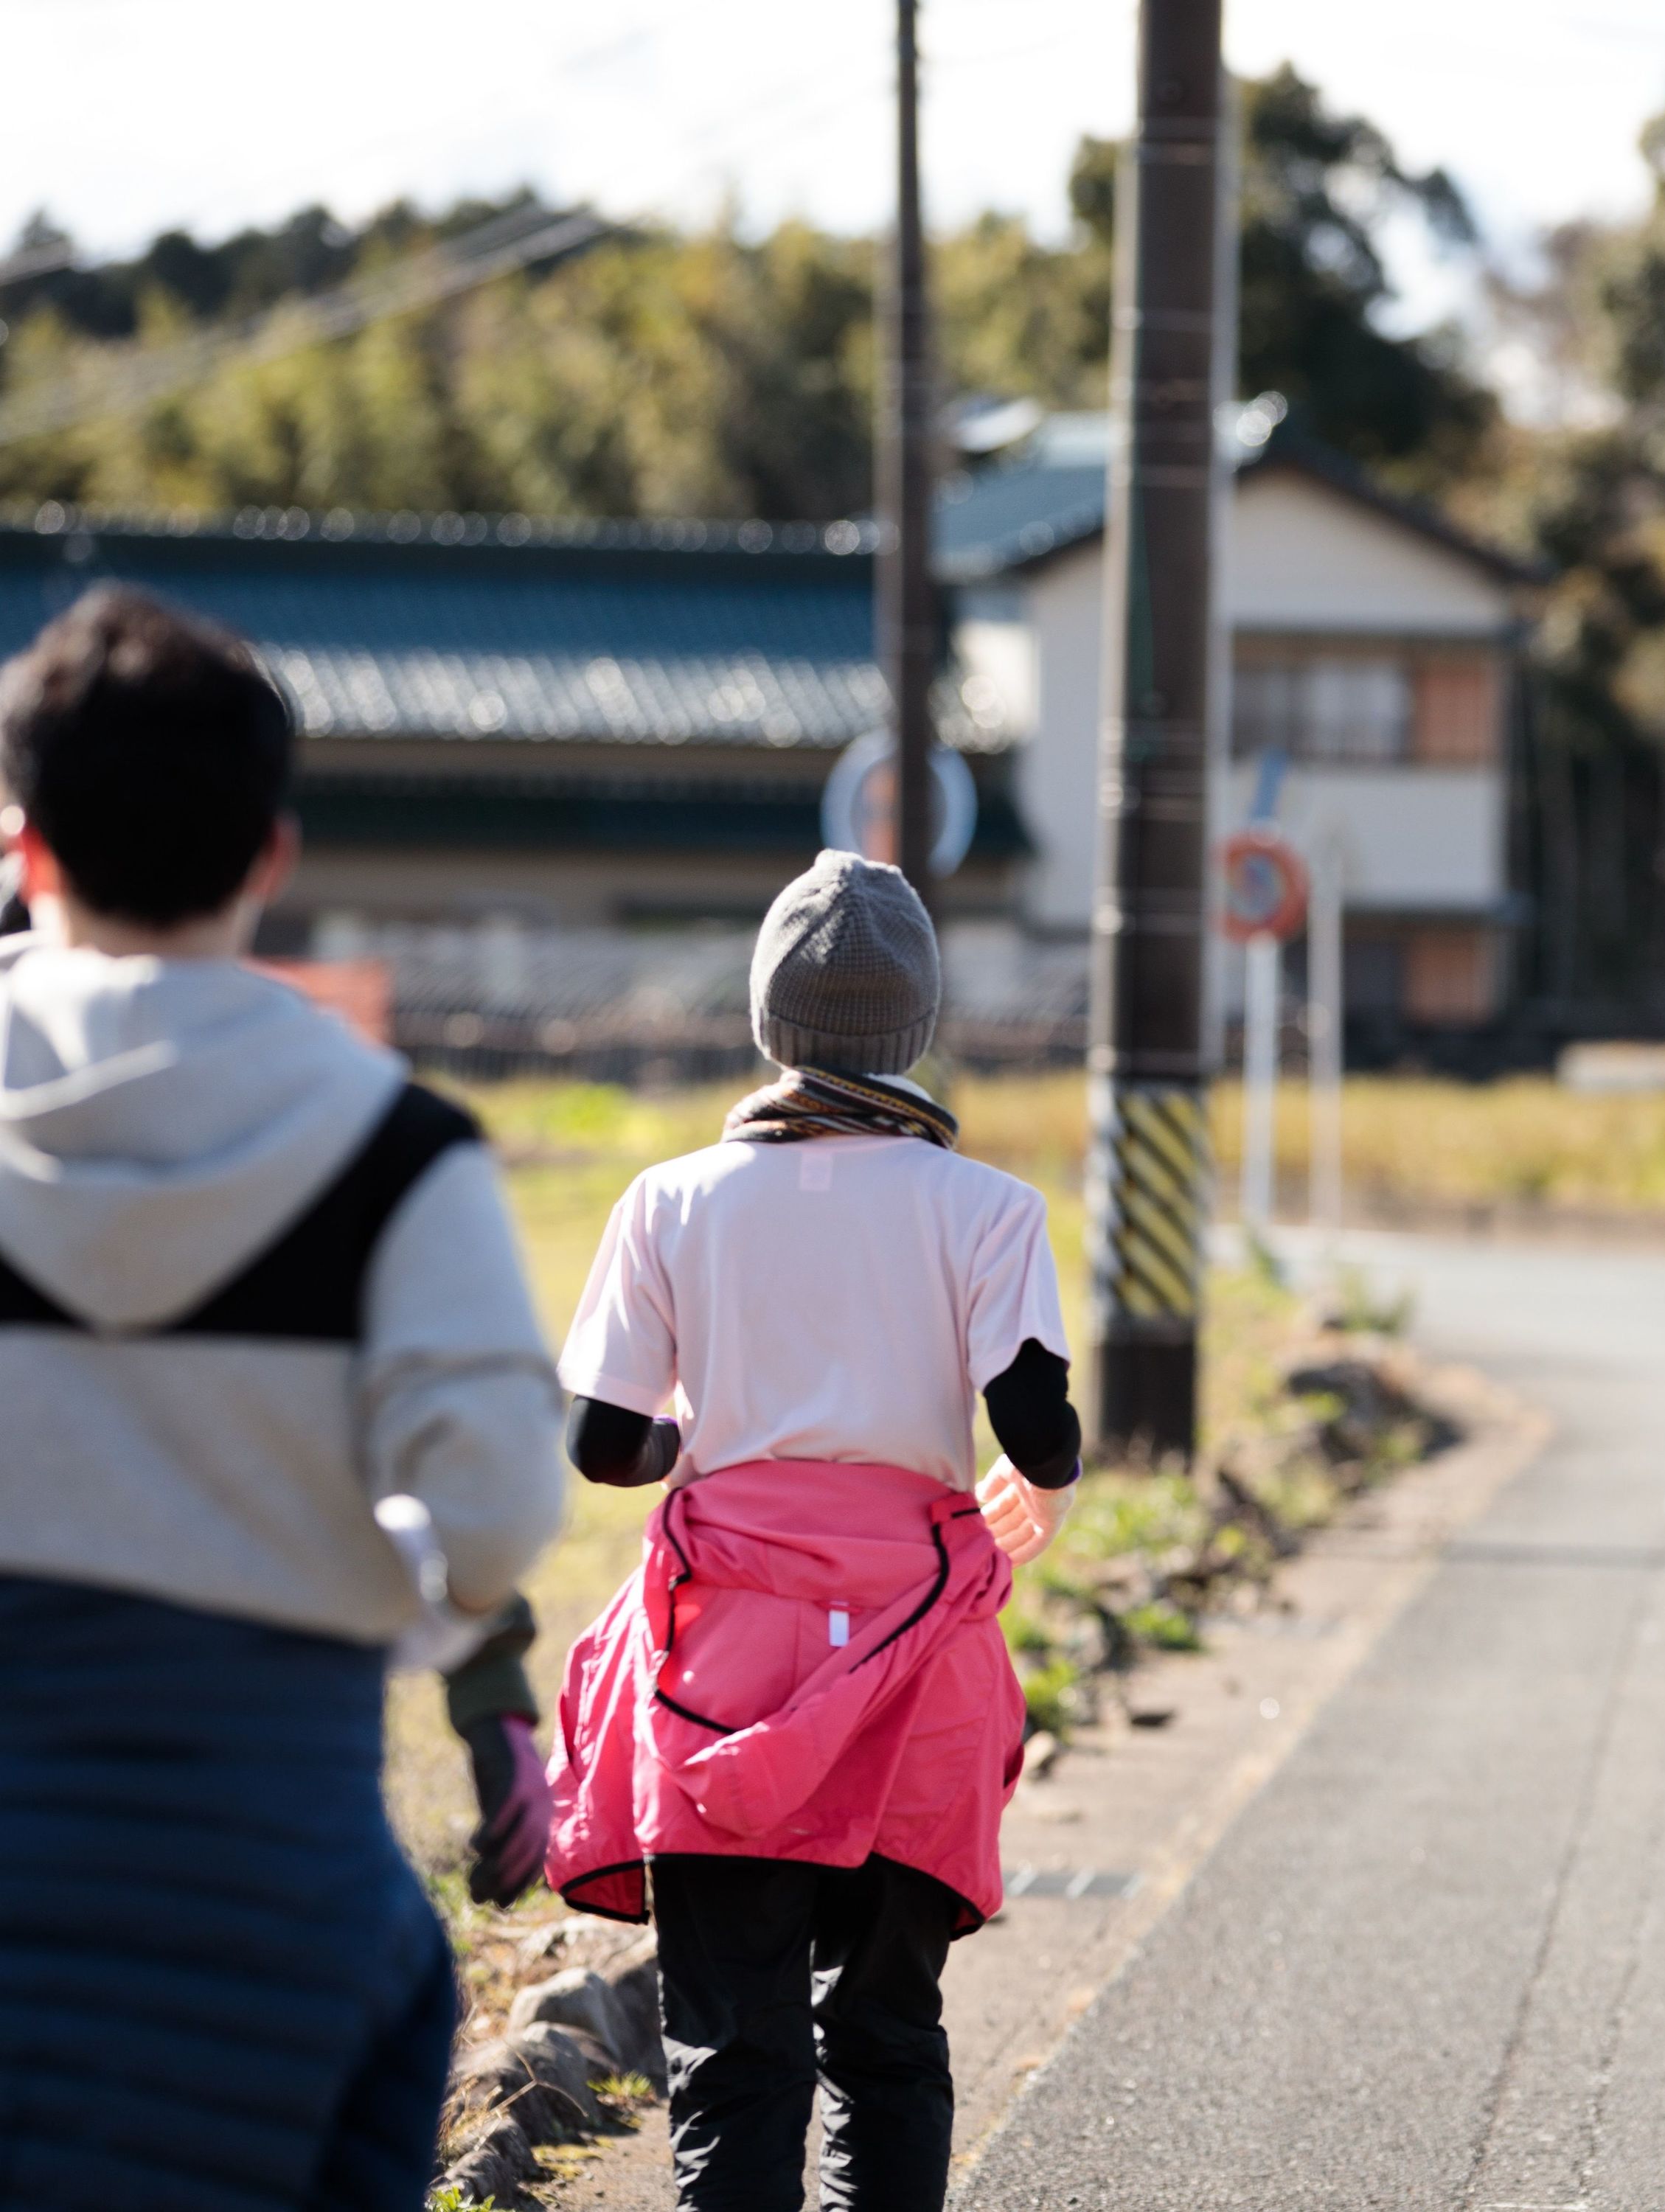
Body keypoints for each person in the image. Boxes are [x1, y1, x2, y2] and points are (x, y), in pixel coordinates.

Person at [0, 586, 566, 2211]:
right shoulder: (397, 1149)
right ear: (271, 856)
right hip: (264, 1881)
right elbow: (498, 1501)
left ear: (24, 849)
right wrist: (407, 1599)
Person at [545, 848, 1082, 2212]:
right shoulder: (989, 1211)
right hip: (914, 1669)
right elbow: (1037, 1430)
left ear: (764, 1021)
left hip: (719, 1664)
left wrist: (691, 1441)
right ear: (919, 1028)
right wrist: (1046, 1494)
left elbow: (602, 1444)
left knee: (731, 2055)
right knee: (890, 2042)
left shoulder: (670, 1200)